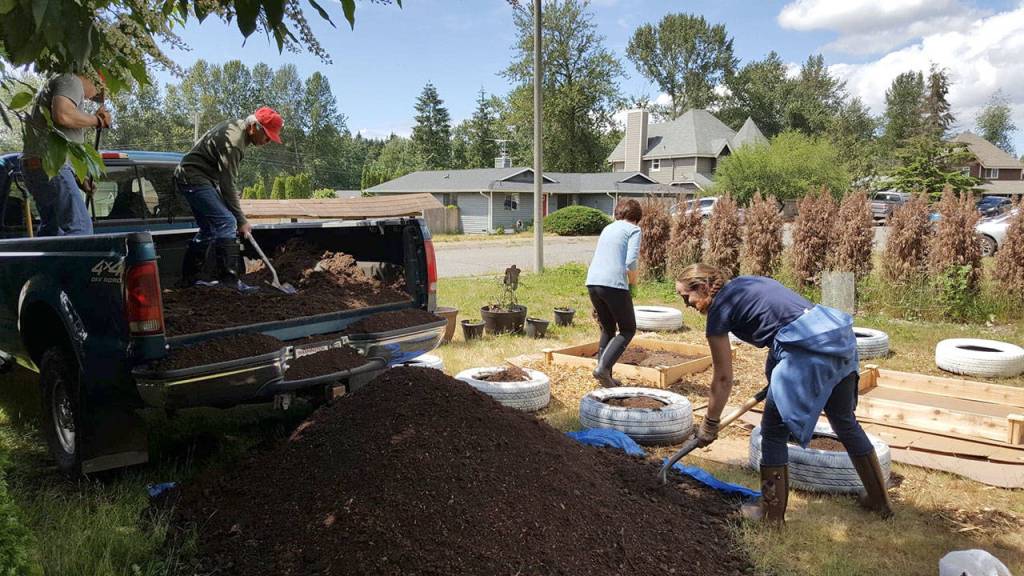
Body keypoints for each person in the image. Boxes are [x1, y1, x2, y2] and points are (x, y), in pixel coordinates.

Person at [675, 264, 892, 525]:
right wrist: (774, 376)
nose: (687, 305)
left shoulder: (719, 309)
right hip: (836, 338)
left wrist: (709, 424)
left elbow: (723, 379)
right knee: (844, 420)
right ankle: (879, 501)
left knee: (774, 432)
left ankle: (771, 515)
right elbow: (781, 327)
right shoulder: (746, 284)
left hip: (808, 351)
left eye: (686, 297)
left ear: (702, 288)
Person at [174, 107, 283, 292]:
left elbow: (226, 182)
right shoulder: (235, 142)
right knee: (227, 221)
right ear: (254, 127)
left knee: (209, 229)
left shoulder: (237, 127)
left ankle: (189, 279)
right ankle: (229, 281)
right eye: (266, 136)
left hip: (196, 177)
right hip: (193, 177)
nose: (267, 142)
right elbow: (227, 185)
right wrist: (241, 220)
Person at [21, 73, 111, 236]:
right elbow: (63, 114)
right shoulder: (71, 81)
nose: (92, 98)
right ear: (97, 80)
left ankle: (48, 262)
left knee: (53, 231)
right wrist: (97, 120)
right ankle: (76, 262)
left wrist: (78, 178)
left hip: (37, 166)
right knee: (80, 229)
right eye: (97, 94)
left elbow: (62, 138)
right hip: (50, 165)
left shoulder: (61, 84)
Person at [585, 198, 642, 387]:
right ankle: (602, 369)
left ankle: (604, 375)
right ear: (636, 217)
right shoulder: (634, 229)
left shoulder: (608, 228)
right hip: (614, 283)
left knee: (608, 328)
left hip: (592, 282)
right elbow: (631, 262)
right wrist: (632, 284)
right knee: (627, 329)